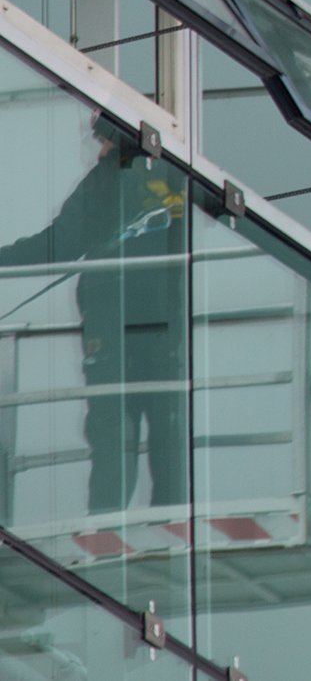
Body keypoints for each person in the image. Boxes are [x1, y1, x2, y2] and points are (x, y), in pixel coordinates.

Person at [0, 121, 188, 514]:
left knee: (112, 424)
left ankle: (107, 525)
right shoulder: (178, 177)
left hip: (113, 320)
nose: (97, 149)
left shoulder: (109, 179)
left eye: (100, 140)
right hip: (164, 324)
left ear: (114, 141)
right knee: (167, 424)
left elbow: (58, 245)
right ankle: (171, 523)